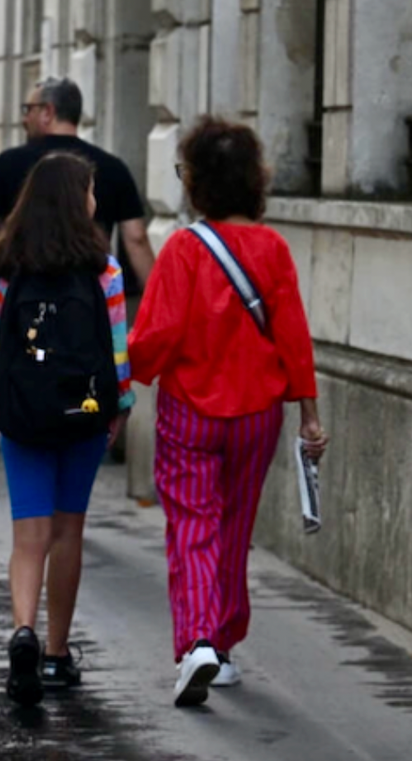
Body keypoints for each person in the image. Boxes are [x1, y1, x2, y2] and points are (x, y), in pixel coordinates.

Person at [129, 117, 328, 708]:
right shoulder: (273, 249)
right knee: (234, 530)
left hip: (191, 409)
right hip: (258, 413)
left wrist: (123, 366)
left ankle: (198, 642)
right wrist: (310, 416)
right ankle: (225, 644)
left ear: (196, 182)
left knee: (193, 524)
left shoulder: (185, 249)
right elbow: (293, 337)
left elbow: (156, 336)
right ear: (252, 179)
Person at [0, 152, 135, 705]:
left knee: (29, 533)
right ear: (75, 200)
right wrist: (121, 405)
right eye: (89, 191)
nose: (95, 200)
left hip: (23, 409)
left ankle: (24, 630)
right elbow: (117, 350)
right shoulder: (104, 270)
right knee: (69, 531)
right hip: (84, 414)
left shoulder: (3, 267)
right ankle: (58, 655)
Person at [0, 77, 154, 289]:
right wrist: (157, 303)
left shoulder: (9, 163)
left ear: (47, 112)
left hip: (20, 290)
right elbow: (136, 238)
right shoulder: (113, 166)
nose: (24, 118)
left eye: (28, 109)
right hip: (90, 291)